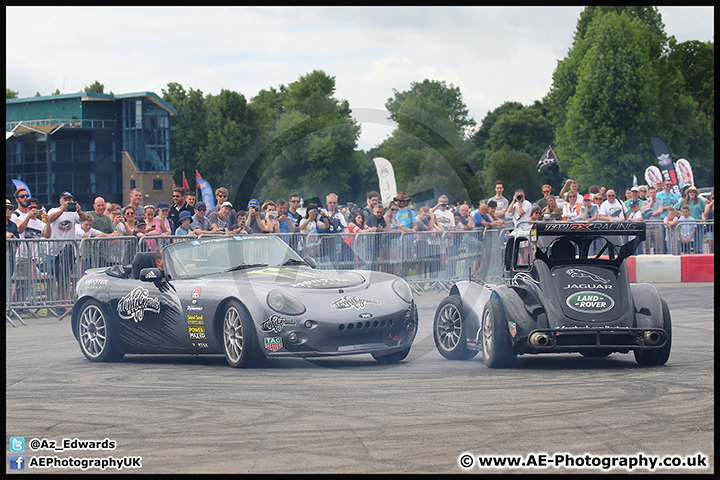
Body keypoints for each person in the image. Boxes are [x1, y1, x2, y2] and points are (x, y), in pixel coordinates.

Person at [46, 192, 87, 299]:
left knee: (64, 278)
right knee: (52, 278)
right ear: (61, 201)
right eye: (66, 199)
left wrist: (79, 209)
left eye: (70, 199)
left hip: (67, 250)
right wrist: (61, 210)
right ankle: (52, 302)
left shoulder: (73, 213)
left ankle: (62, 300)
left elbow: (84, 219)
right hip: (53, 250)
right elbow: (49, 219)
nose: (68, 201)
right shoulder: (54, 210)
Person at [641, 186, 664, 254]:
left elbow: (660, 211)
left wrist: (649, 214)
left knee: (658, 246)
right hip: (647, 227)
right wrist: (650, 203)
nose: (652, 194)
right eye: (651, 192)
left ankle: (659, 259)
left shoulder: (659, 202)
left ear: (656, 193)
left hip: (656, 226)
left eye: (654, 192)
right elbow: (642, 210)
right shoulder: (645, 202)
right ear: (648, 193)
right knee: (647, 247)